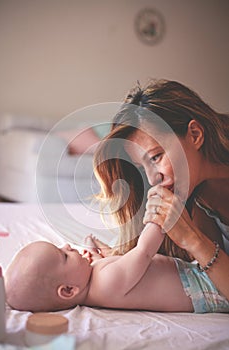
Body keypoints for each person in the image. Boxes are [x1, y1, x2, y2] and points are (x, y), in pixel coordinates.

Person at [92, 79, 229, 301]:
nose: (152, 178)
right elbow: (212, 278)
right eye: (141, 166)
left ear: (195, 134)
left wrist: (193, 240)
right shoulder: (198, 194)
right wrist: (119, 262)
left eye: (155, 157)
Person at [5, 223, 229, 314]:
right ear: (68, 290)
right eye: (63, 255)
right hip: (208, 288)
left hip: (195, 274)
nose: (66, 246)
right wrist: (158, 221)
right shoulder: (106, 283)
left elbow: (100, 262)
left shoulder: (89, 280)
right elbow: (143, 251)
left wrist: (93, 250)